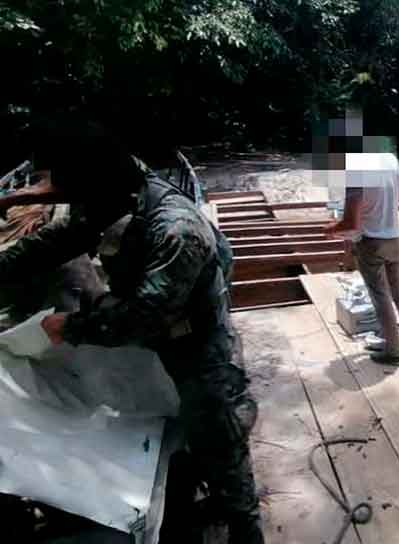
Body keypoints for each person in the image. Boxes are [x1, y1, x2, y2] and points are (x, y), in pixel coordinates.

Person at [0, 122, 263, 543]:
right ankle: (204, 480)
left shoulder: (176, 230)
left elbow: (145, 317)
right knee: (176, 415)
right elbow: (64, 237)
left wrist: (70, 326)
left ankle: (243, 521)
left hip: (192, 332)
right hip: (149, 310)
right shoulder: (116, 188)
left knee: (216, 424)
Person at [325, 147, 399, 365]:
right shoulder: (391, 160)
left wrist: (330, 229)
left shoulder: (355, 170)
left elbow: (351, 222)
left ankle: (394, 351)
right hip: (394, 237)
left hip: (370, 242)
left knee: (380, 297)